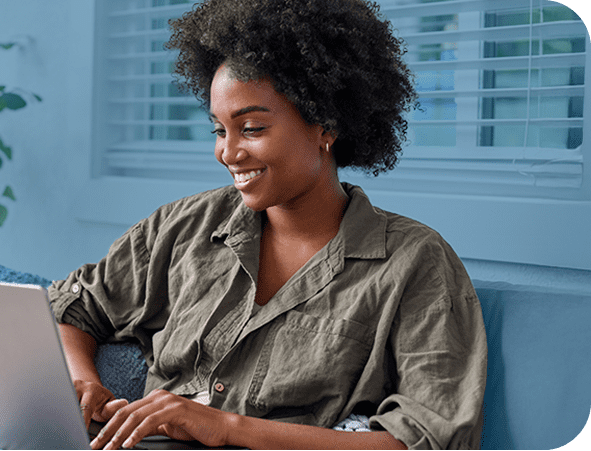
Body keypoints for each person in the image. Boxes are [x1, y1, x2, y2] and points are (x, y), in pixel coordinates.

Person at [48, 0, 488, 449]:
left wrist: (225, 427)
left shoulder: (412, 260)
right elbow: (73, 306)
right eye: (220, 130)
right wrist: (80, 382)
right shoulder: (184, 227)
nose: (228, 153)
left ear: (326, 127)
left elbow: (432, 438)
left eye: (252, 128)